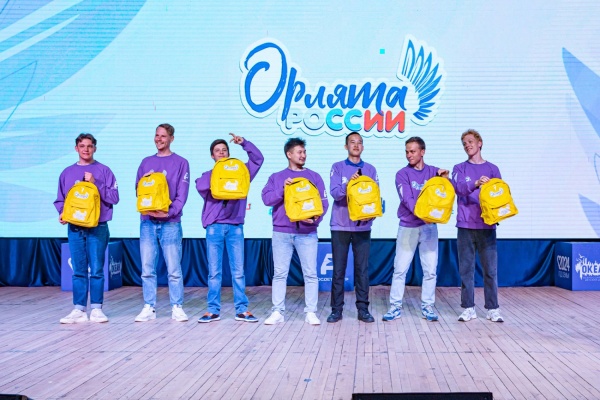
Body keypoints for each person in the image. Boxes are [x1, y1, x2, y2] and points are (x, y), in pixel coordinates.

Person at [195, 133, 264, 323]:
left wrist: (244, 143)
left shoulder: (241, 172)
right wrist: (220, 173)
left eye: (224, 150)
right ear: (212, 156)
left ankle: (242, 309)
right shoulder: (209, 175)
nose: (221, 153)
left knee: (238, 271)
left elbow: (258, 160)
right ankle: (212, 310)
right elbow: (200, 185)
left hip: (235, 227)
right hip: (214, 227)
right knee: (214, 272)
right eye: (217, 151)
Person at [261, 137, 329, 325]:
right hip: (282, 232)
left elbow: (323, 203)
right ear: (289, 154)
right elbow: (266, 199)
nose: (303, 155)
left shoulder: (314, 176)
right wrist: (283, 189)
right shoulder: (277, 177)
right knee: (280, 273)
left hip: (307, 233)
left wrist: (314, 220)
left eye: (304, 152)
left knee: (310, 274)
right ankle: (277, 311)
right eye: (299, 152)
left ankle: (311, 312)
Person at [54, 133, 119, 323]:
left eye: (89, 146)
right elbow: (61, 199)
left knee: (97, 269)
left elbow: (114, 198)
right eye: (82, 146)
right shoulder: (67, 173)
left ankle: (97, 309)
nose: (86, 149)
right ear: (76, 148)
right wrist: (62, 212)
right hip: (75, 228)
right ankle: (79, 309)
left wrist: (95, 183)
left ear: (95, 148)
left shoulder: (104, 171)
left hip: (98, 227)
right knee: (78, 270)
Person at [383, 136, 448, 322]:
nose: (409, 155)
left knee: (430, 270)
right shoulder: (402, 174)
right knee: (400, 269)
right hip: (408, 227)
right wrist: (424, 214)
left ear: (422, 152)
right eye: (407, 152)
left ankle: (427, 306)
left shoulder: (434, 172)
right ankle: (395, 307)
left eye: (412, 151)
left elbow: (445, 196)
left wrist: (446, 179)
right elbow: (408, 199)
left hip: (429, 228)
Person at [134, 123, 190, 322]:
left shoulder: (181, 162)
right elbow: (138, 190)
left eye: (163, 136)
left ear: (171, 138)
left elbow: (182, 195)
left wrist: (168, 212)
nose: (159, 139)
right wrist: (145, 186)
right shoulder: (146, 162)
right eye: (157, 135)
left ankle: (177, 306)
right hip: (148, 223)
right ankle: (149, 306)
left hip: (170, 223)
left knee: (174, 268)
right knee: (147, 268)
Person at [451, 129, 504, 322]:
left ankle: (493, 309)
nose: (467, 145)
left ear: (480, 143)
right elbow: (458, 188)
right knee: (466, 270)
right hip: (465, 226)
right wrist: (475, 183)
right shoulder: (459, 168)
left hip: (487, 226)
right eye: (464, 143)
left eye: (470, 141)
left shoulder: (493, 169)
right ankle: (468, 308)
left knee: (490, 270)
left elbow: (499, 195)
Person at [327, 132, 377, 323]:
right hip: (340, 226)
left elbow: (374, 196)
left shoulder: (370, 169)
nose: (356, 145)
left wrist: (372, 214)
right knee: (338, 270)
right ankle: (336, 310)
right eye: (352, 142)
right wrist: (350, 183)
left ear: (363, 147)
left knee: (362, 270)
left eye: (359, 142)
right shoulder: (337, 167)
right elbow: (335, 194)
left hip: (362, 228)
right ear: (346, 146)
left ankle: (363, 309)